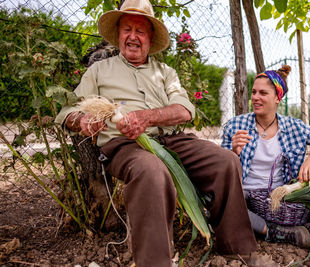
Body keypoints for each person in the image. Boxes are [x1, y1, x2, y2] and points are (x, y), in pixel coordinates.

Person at [55, 0, 270, 266]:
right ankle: (155, 261)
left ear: (150, 38)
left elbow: (184, 110)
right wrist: (83, 120)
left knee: (226, 161)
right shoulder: (99, 70)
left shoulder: (165, 72)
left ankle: (237, 249)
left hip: (169, 140)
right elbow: (67, 112)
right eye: (127, 29)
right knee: (152, 170)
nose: (133, 36)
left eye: (140, 31)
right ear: (118, 34)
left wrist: (147, 117)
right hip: (124, 146)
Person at [222, 65, 310, 248]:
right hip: (243, 195)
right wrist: (232, 153)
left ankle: (266, 227)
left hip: (276, 199)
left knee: (226, 216)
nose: (256, 97)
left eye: (263, 93)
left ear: (277, 98)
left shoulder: (295, 127)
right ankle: (276, 233)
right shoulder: (235, 125)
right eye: (254, 92)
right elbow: (222, 170)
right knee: (219, 204)